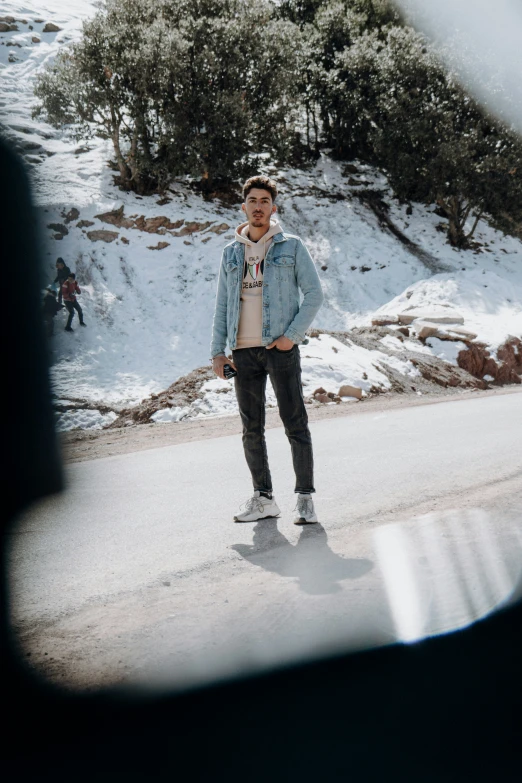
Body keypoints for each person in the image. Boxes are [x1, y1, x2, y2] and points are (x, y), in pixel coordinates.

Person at [211, 175, 324, 524]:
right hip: (243, 352)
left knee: (295, 423)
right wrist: (218, 351)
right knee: (251, 429)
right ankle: (263, 498)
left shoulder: (291, 246)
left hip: (279, 348)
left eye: (264, 201)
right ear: (243, 206)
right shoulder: (231, 253)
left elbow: (314, 294)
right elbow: (222, 306)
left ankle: (305, 499)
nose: (258, 207)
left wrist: (292, 336)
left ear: (272, 209)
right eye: (252, 201)